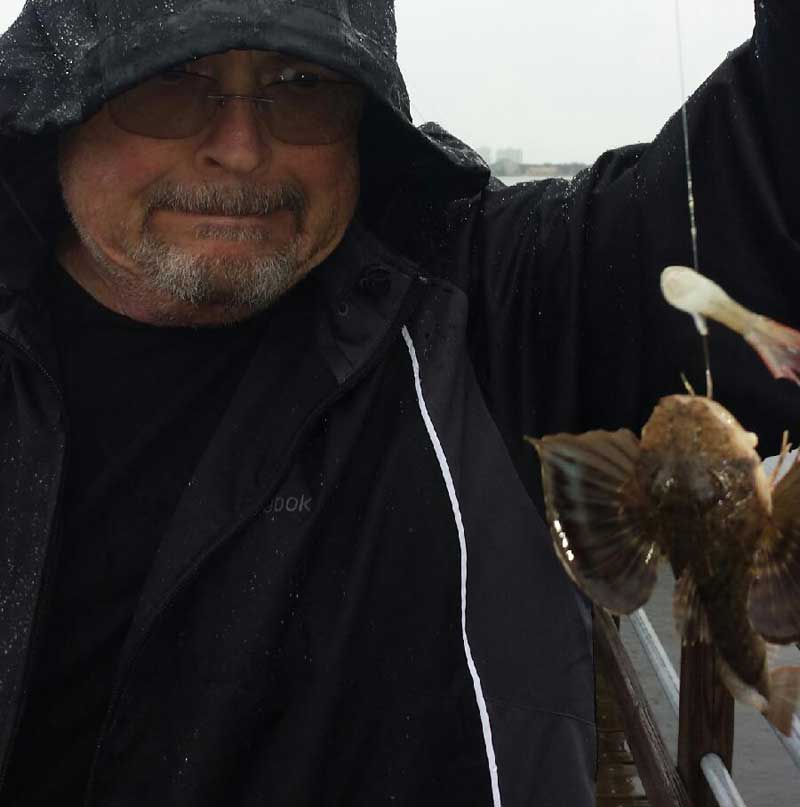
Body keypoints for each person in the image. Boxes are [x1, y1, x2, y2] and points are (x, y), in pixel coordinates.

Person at [0, 0, 798, 804]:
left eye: (304, 83)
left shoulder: (488, 310)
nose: (241, 150)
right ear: (59, 104)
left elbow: (761, 191)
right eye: (168, 81)